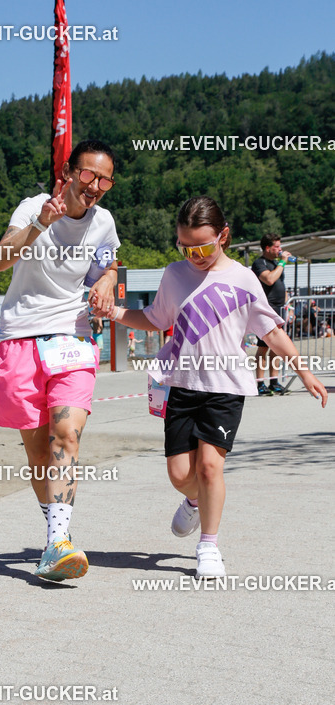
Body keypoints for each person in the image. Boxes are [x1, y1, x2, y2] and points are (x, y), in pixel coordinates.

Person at [107, 196, 327, 579]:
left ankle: (209, 545)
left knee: (210, 467)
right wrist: (114, 313)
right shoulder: (175, 275)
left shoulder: (243, 279)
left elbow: (270, 331)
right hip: (182, 384)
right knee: (180, 475)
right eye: (186, 247)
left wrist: (303, 371)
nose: (195, 255)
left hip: (225, 387)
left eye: (204, 247)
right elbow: (156, 318)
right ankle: (193, 500)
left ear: (223, 236)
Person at [0, 138, 120, 581]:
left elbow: (108, 263)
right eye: (89, 175)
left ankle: (59, 542)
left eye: (106, 180)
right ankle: (53, 536)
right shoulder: (33, 207)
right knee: (39, 451)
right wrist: (39, 225)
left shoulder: (103, 222)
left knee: (67, 434)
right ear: (68, 172)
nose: (96, 186)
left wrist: (108, 279)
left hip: (72, 338)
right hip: (20, 337)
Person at [251, 233, 292, 395]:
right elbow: (269, 280)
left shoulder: (276, 264)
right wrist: (282, 262)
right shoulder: (259, 263)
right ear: (267, 248)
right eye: (277, 247)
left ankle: (274, 381)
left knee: (277, 347)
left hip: (279, 308)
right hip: (266, 310)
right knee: (263, 347)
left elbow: (281, 284)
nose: (280, 250)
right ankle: (259, 382)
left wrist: (288, 305)